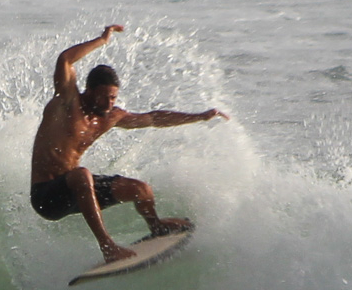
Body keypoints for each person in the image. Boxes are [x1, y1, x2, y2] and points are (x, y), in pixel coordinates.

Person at [30, 24, 228, 262]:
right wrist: (102, 41)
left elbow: (154, 118)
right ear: (88, 91)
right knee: (82, 175)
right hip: (46, 197)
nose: (108, 103)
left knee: (141, 190)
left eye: (113, 97)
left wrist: (198, 116)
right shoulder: (66, 103)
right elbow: (65, 60)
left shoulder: (112, 116)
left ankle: (156, 226)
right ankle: (108, 247)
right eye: (103, 97)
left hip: (75, 192)